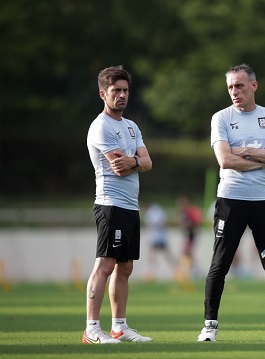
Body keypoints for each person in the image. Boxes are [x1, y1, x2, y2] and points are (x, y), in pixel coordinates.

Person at [198, 64, 265, 342]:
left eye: (239, 86)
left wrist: (249, 151)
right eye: (230, 87)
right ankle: (209, 326)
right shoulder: (221, 118)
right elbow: (225, 161)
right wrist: (264, 156)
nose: (234, 92)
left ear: (254, 85)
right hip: (231, 200)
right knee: (220, 264)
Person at [84, 65, 153, 344]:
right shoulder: (100, 126)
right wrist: (135, 162)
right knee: (105, 264)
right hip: (110, 204)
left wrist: (134, 160)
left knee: (125, 267)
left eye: (125, 90)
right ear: (103, 94)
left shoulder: (131, 126)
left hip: (130, 206)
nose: (122, 95)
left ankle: (119, 326)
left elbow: (146, 163)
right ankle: (91, 329)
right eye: (116, 91)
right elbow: (118, 169)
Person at [144, 202, 176, 280]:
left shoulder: (155, 211)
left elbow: (161, 222)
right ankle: (152, 272)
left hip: (160, 237)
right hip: (155, 237)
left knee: (166, 255)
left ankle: (176, 270)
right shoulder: (151, 212)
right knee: (153, 255)